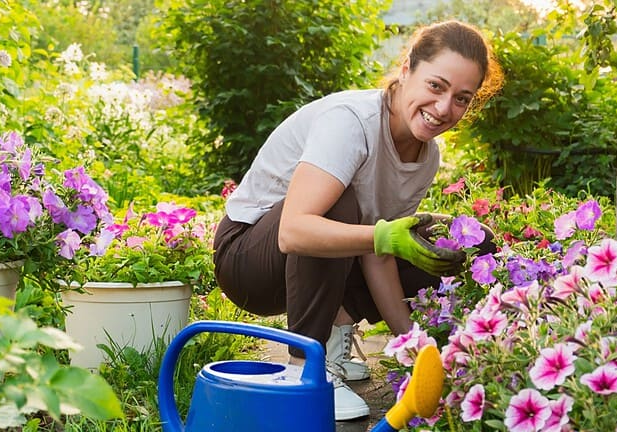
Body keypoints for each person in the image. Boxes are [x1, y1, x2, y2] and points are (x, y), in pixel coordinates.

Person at [213, 19, 503, 421]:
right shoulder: (352, 121)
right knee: (339, 205)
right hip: (248, 258)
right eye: (436, 86)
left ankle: (334, 335)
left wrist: (413, 348)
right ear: (406, 69)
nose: (444, 108)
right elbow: (295, 230)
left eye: (462, 98)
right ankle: (307, 371)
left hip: (310, 264)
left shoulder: (425, 154)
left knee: (457, 240)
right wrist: (383, 235)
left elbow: (377, 248)